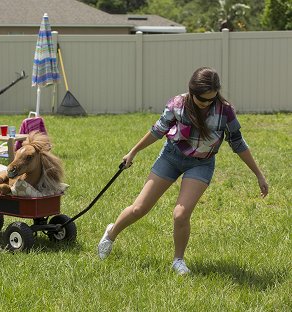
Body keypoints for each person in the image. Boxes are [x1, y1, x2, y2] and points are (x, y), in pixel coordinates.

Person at [97, 67, 269, 274]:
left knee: (181, 214)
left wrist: (258, 174)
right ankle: (110, 234)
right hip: (171, 157)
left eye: (211, 99)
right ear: (192, 92)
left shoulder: (225, 111)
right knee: (139, 208)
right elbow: (157, 130)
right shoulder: (178, 104)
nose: (207, 103)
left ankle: (178, 260)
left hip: (201, 163)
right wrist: (133, 152)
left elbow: (238, 143)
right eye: (202, 99)